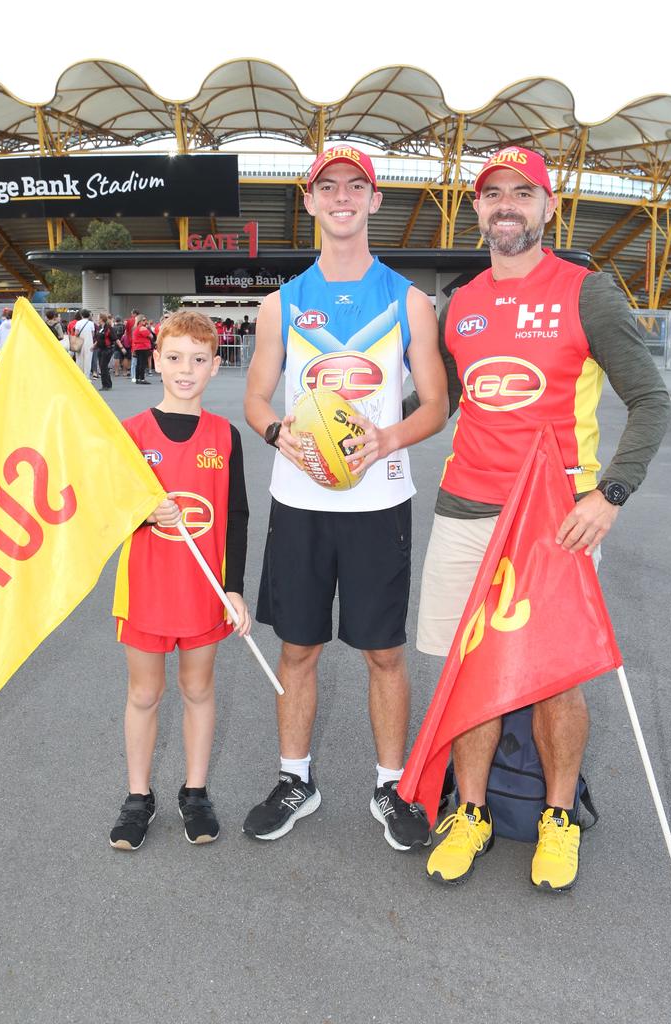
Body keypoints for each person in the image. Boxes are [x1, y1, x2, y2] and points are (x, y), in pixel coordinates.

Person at [414, 145, 670, 892]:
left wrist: (610, 494)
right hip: (466, 510)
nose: (506, 206)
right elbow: (443, 403)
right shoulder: (459, 301)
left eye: (522, 193)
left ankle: (559, 818)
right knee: (469, 668)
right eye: (493, 194)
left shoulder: (587, 293)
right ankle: (471, 811)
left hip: (556, 519)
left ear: (549, 206)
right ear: (479, 210)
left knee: (558, 678)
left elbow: (652, 402)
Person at [242, 143, 448, 850]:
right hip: (299, 502)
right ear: (308, 200)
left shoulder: (406, 299)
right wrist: (279, 435)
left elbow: (437, 404)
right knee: (297, 649)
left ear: (374, 199)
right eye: (326, 186)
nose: (340, 197)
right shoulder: (282, 303)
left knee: (384, 653)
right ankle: (295, 779)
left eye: (353, 186)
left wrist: (386, 442)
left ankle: (393, 786)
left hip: (378, 502)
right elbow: (256, 397)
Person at [109, 310, 251, 851]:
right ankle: (138, 797)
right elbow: (109, 509)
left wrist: (233, 588)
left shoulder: (225, 435)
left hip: (202, 591)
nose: (185, 369)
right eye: (173, 358)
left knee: (198, 688)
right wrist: (145, 514)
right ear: (156, 359)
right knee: (145, 692)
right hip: (146, 588)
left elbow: (236, 516)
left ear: (215, 366)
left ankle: (195, 792)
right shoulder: (131, 434)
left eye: (197, 359)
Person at [93, 312, 114, 391]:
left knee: (103, 366)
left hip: (107, 349)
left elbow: (114, 338)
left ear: (101, 319)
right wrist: (94, 346)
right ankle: (107, 384)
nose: (97, 319)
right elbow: (98, 339)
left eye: (98, 318)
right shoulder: (99, 328)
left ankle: (106, 385)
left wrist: (121, 347)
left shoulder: (108, 328)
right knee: (103, 367)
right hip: (100, 349)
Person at [72, 309, 95, 378]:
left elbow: (76, 333)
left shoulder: (78, 323)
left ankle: (80, 376)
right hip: (89, 343)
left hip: (79, 343)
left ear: (81, 315)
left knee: (79, 360)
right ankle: (87, 377)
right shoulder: (91, 323)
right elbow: (92, 334)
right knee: (88, 360)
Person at [132, 314, 154, 384]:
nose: (145, 321)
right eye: (144, 320)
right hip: (143, 347)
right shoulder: (143, 328)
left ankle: (137, 378)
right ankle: (142, 379)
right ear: (140, 321)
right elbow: (151, 336)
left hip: (137, 347)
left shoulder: (136, 328)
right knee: (142, 363)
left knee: (138, 363)